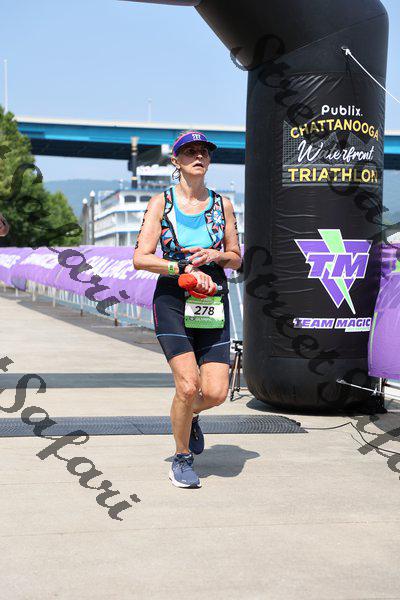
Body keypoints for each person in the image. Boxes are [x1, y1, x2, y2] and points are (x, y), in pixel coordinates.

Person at [133, 130, 242, 489]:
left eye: (204, 152)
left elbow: (237, 259)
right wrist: (183, 267)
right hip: (173, 297)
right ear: (176, 160)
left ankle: (189, 414)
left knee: (215, 393)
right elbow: (141, 258)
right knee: (187, 384)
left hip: (212, 298)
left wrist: (216, 255)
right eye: (190, 151)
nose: (199, 156)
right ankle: (182, 458)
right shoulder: (160, 203)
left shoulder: (223, 204)